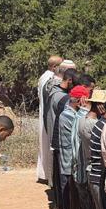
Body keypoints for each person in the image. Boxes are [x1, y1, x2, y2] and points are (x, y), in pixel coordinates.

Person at [58, 84, 90, 209]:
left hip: (71, 164)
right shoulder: (70, 116)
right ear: (80, 101)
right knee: (78, 207)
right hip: (72, 166)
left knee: (77, 206)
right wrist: (86, 111)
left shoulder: (70, 112)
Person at [48, 66, 78, 209]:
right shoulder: (63, 99)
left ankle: (60, 208)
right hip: (60, 141)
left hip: (56, 139)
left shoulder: (56, 93)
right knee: (62, 177)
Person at [37, 55, 62, 183]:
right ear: (54, 67)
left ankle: (46, 174)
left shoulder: (43, 77)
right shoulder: (49, 78)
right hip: (48, 114)